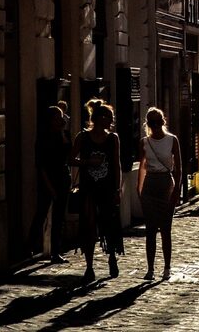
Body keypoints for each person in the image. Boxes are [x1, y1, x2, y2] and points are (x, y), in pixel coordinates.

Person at [70, 101, 123, 283]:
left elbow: (117, 165)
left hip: (107, 188)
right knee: (89, 226)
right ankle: (89, 266)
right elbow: (70, 159)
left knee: (109, 224)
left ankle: (112, 258)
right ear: (99, 119)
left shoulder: (112, 138)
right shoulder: (82, 137)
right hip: (89, 188)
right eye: (108, 118)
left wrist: (118, 189)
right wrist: (88, 163)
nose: (111, 121)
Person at [137, 107, 182, 280]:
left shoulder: (172, 140)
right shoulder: (144, 142)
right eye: (151, 123)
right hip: (150, 185)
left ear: (163, 122)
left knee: (166, 228)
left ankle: (167, 267)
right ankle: (150, 269)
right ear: (147, 124)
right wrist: (139, 189)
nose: (155, 126)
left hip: (165, 185)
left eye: (157, 122)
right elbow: (141, 166)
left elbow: (178, 167)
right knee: (150, 230)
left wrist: (177, 189)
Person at [27, 106, 72, 264]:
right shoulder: (43, 138)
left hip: (63, 178)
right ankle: (30, 246)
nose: (62, 119)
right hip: (49, 179)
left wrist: (62, 131)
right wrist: (50, 187)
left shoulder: (63, 135)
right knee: (41, 213)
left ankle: (55, 252)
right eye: (58, 117)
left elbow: (69, 153)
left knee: (59, 217)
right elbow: (41, 166)